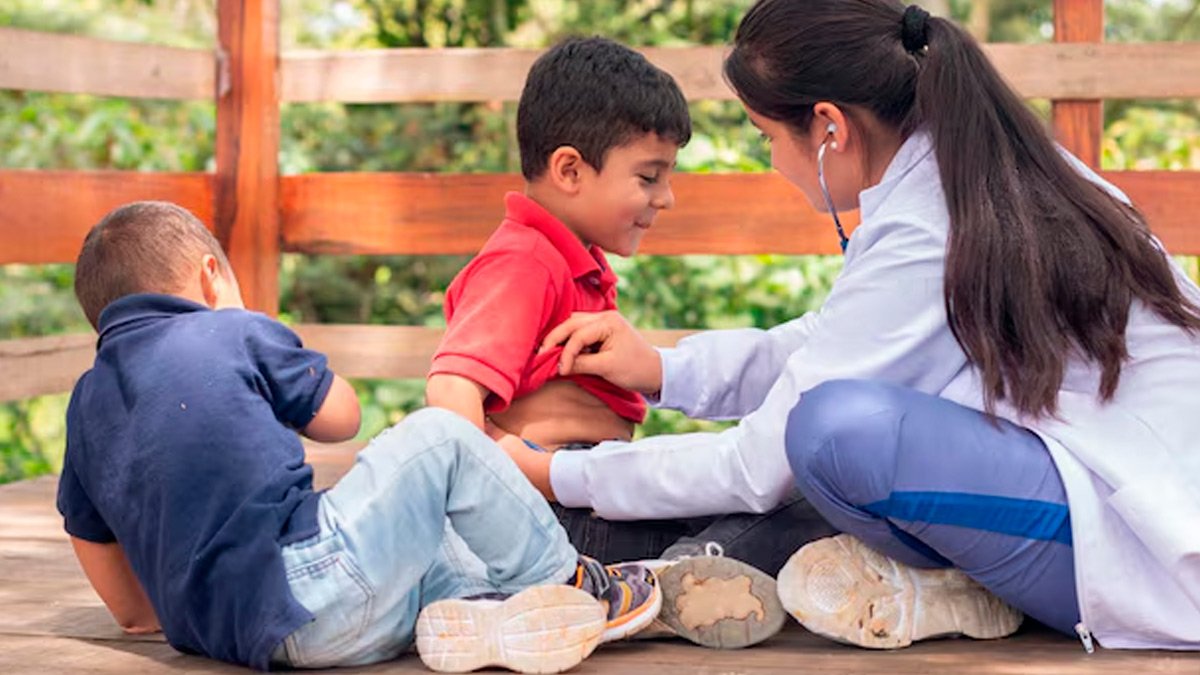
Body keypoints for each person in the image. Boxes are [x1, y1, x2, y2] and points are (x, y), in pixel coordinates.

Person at [506, 0, 1200, 653]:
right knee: (832, 430)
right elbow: (833, 339)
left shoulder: (932, 222)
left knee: (838, 433)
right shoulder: (966, 176)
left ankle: (925, 583)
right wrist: (666, 369)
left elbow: (758, 463)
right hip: (1093, 491)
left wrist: (556, 472)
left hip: (1144, 544)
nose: (773, 160)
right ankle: (940, 587)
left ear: (830, 127)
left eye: (767, 136)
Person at [57, 201, 662, 674]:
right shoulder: (232, 330)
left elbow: (132, 613)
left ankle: (486, 614)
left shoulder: (85, 406)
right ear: (210, 278)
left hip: (235, 639)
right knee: (436, 440)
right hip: (309, 584)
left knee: (425, 533)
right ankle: (577, 589)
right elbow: (340, 417)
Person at [425, 37, 802, 649]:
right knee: (780, 513)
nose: (665, 198)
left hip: (575, 498)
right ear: (570, 170)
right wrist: (493, 509)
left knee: (762, 504)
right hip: (554, 518)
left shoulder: (568, 263)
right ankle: (650, 586)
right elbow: (452, 387)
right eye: (648, 177)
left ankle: (645, 585)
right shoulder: (524, 261)